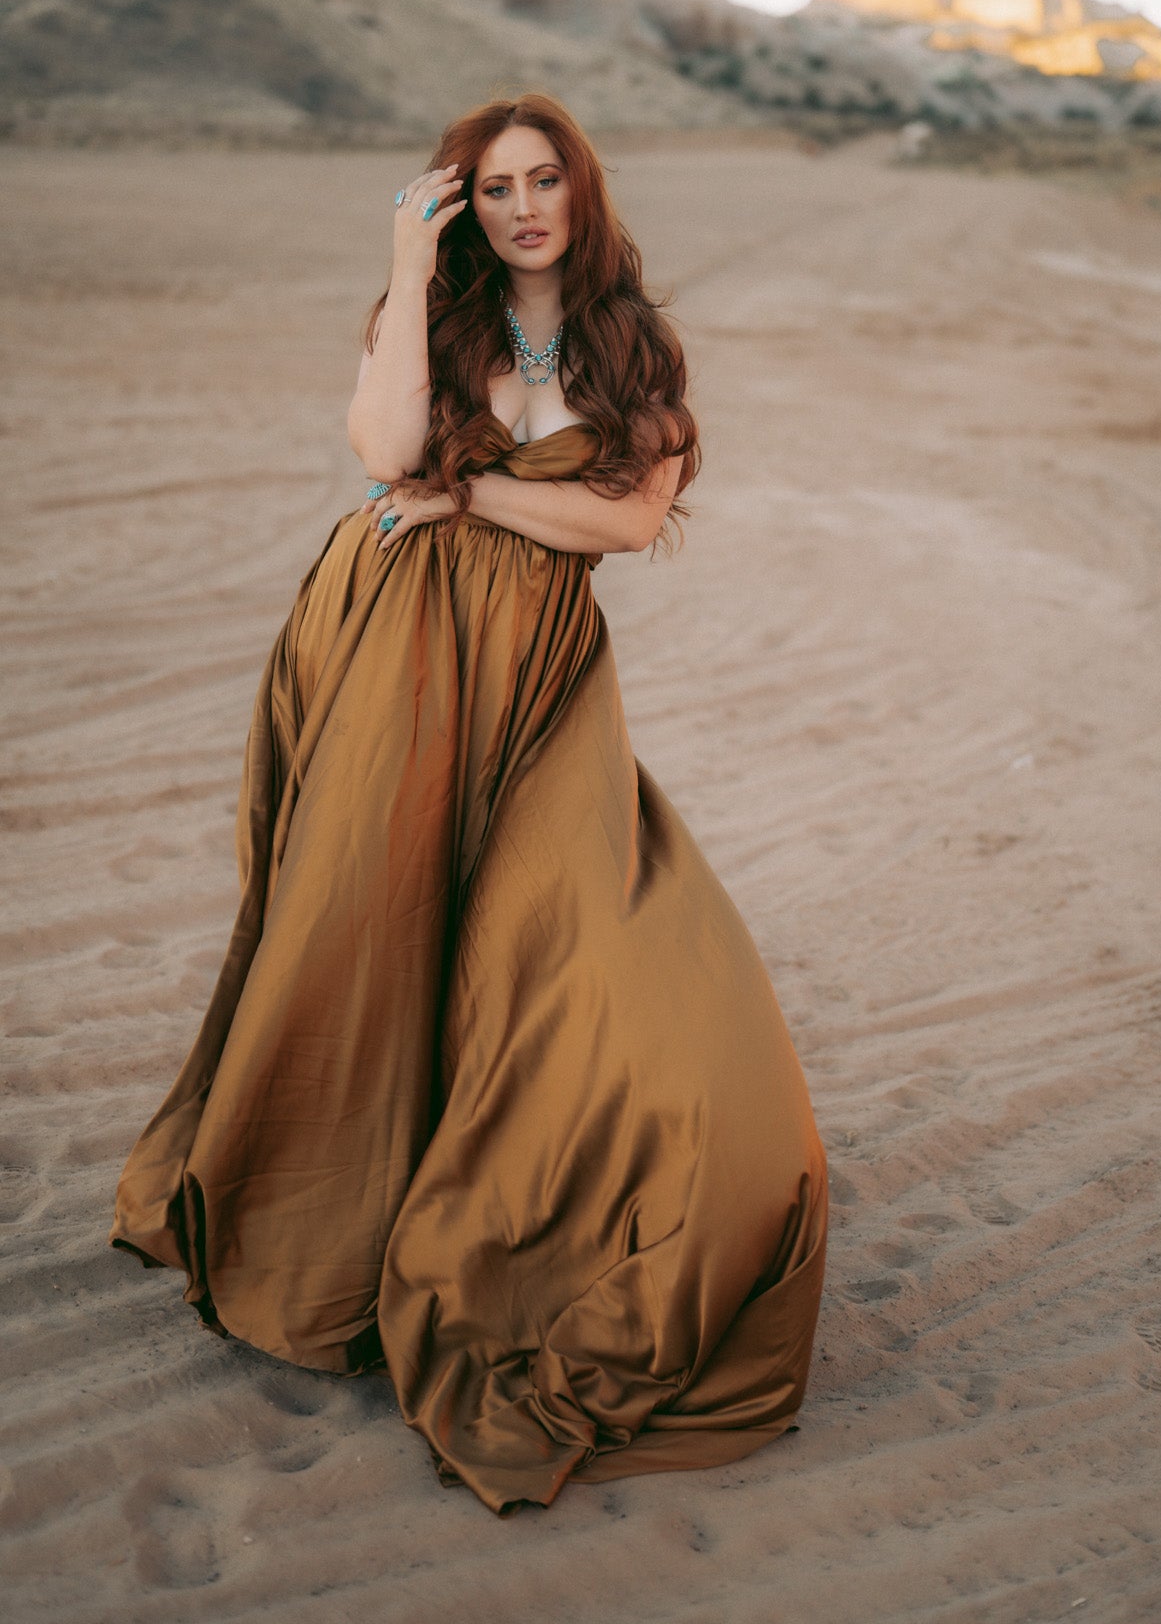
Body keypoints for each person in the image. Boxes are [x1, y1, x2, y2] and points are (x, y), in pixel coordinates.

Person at [110, 92, 828, 1515]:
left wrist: (470, 497)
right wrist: (403, 272)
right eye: (490, 187)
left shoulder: (635, 344)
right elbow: (384, 459)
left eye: (542, 179)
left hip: (541, 676)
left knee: (589, 940)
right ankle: (322, 1234)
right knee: (366, 931)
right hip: (387, 645)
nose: (520, 207)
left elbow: (622, 522)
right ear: (461, 206)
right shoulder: (430, 322)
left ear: (582, 190)